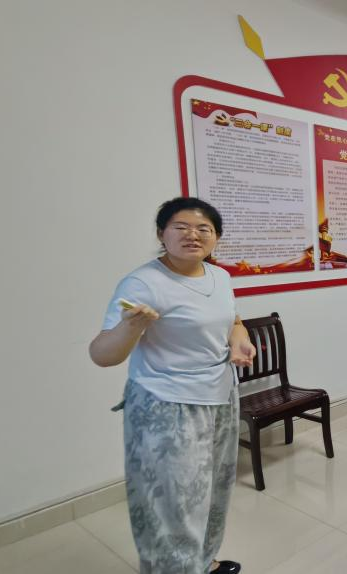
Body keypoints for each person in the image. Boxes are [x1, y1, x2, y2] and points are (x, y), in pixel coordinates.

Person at [89, 197, 250, 574]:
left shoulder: (219, 276)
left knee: (213, 490)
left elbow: (232, 318)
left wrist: (238, 337)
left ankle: (204, 562)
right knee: (172, 505)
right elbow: (102, 354)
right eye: (181, 227)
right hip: (167, 406)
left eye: (204, 229)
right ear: (162, 234)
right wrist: (131, 327)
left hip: (220, 396)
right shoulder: (143, 282)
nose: (193, 235)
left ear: (216, 237)